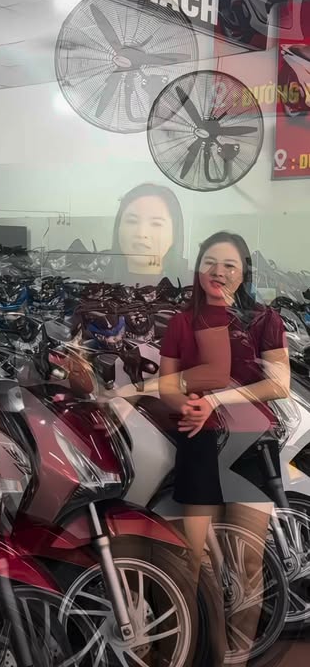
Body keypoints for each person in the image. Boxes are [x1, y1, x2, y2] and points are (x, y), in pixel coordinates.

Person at [159, 231, 290, 667]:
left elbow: (278, 384)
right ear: (198, 269)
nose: (218, 271)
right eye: (210, 262)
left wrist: (215, 400)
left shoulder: (265, 319)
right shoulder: (183, 322)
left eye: (229, 264)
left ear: (243, 272)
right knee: (193, 563)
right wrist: (186, 405)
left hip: (249, 445)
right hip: (198, 444)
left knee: (247, 562)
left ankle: (237, 657)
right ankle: (198, 652)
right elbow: (167, 386)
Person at [105, 183, 188, 286]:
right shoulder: (95, 283)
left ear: (174, 234)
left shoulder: (195, 286)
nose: (141, 233)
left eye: (156, 224)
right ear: (118, 229)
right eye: (132, 221)